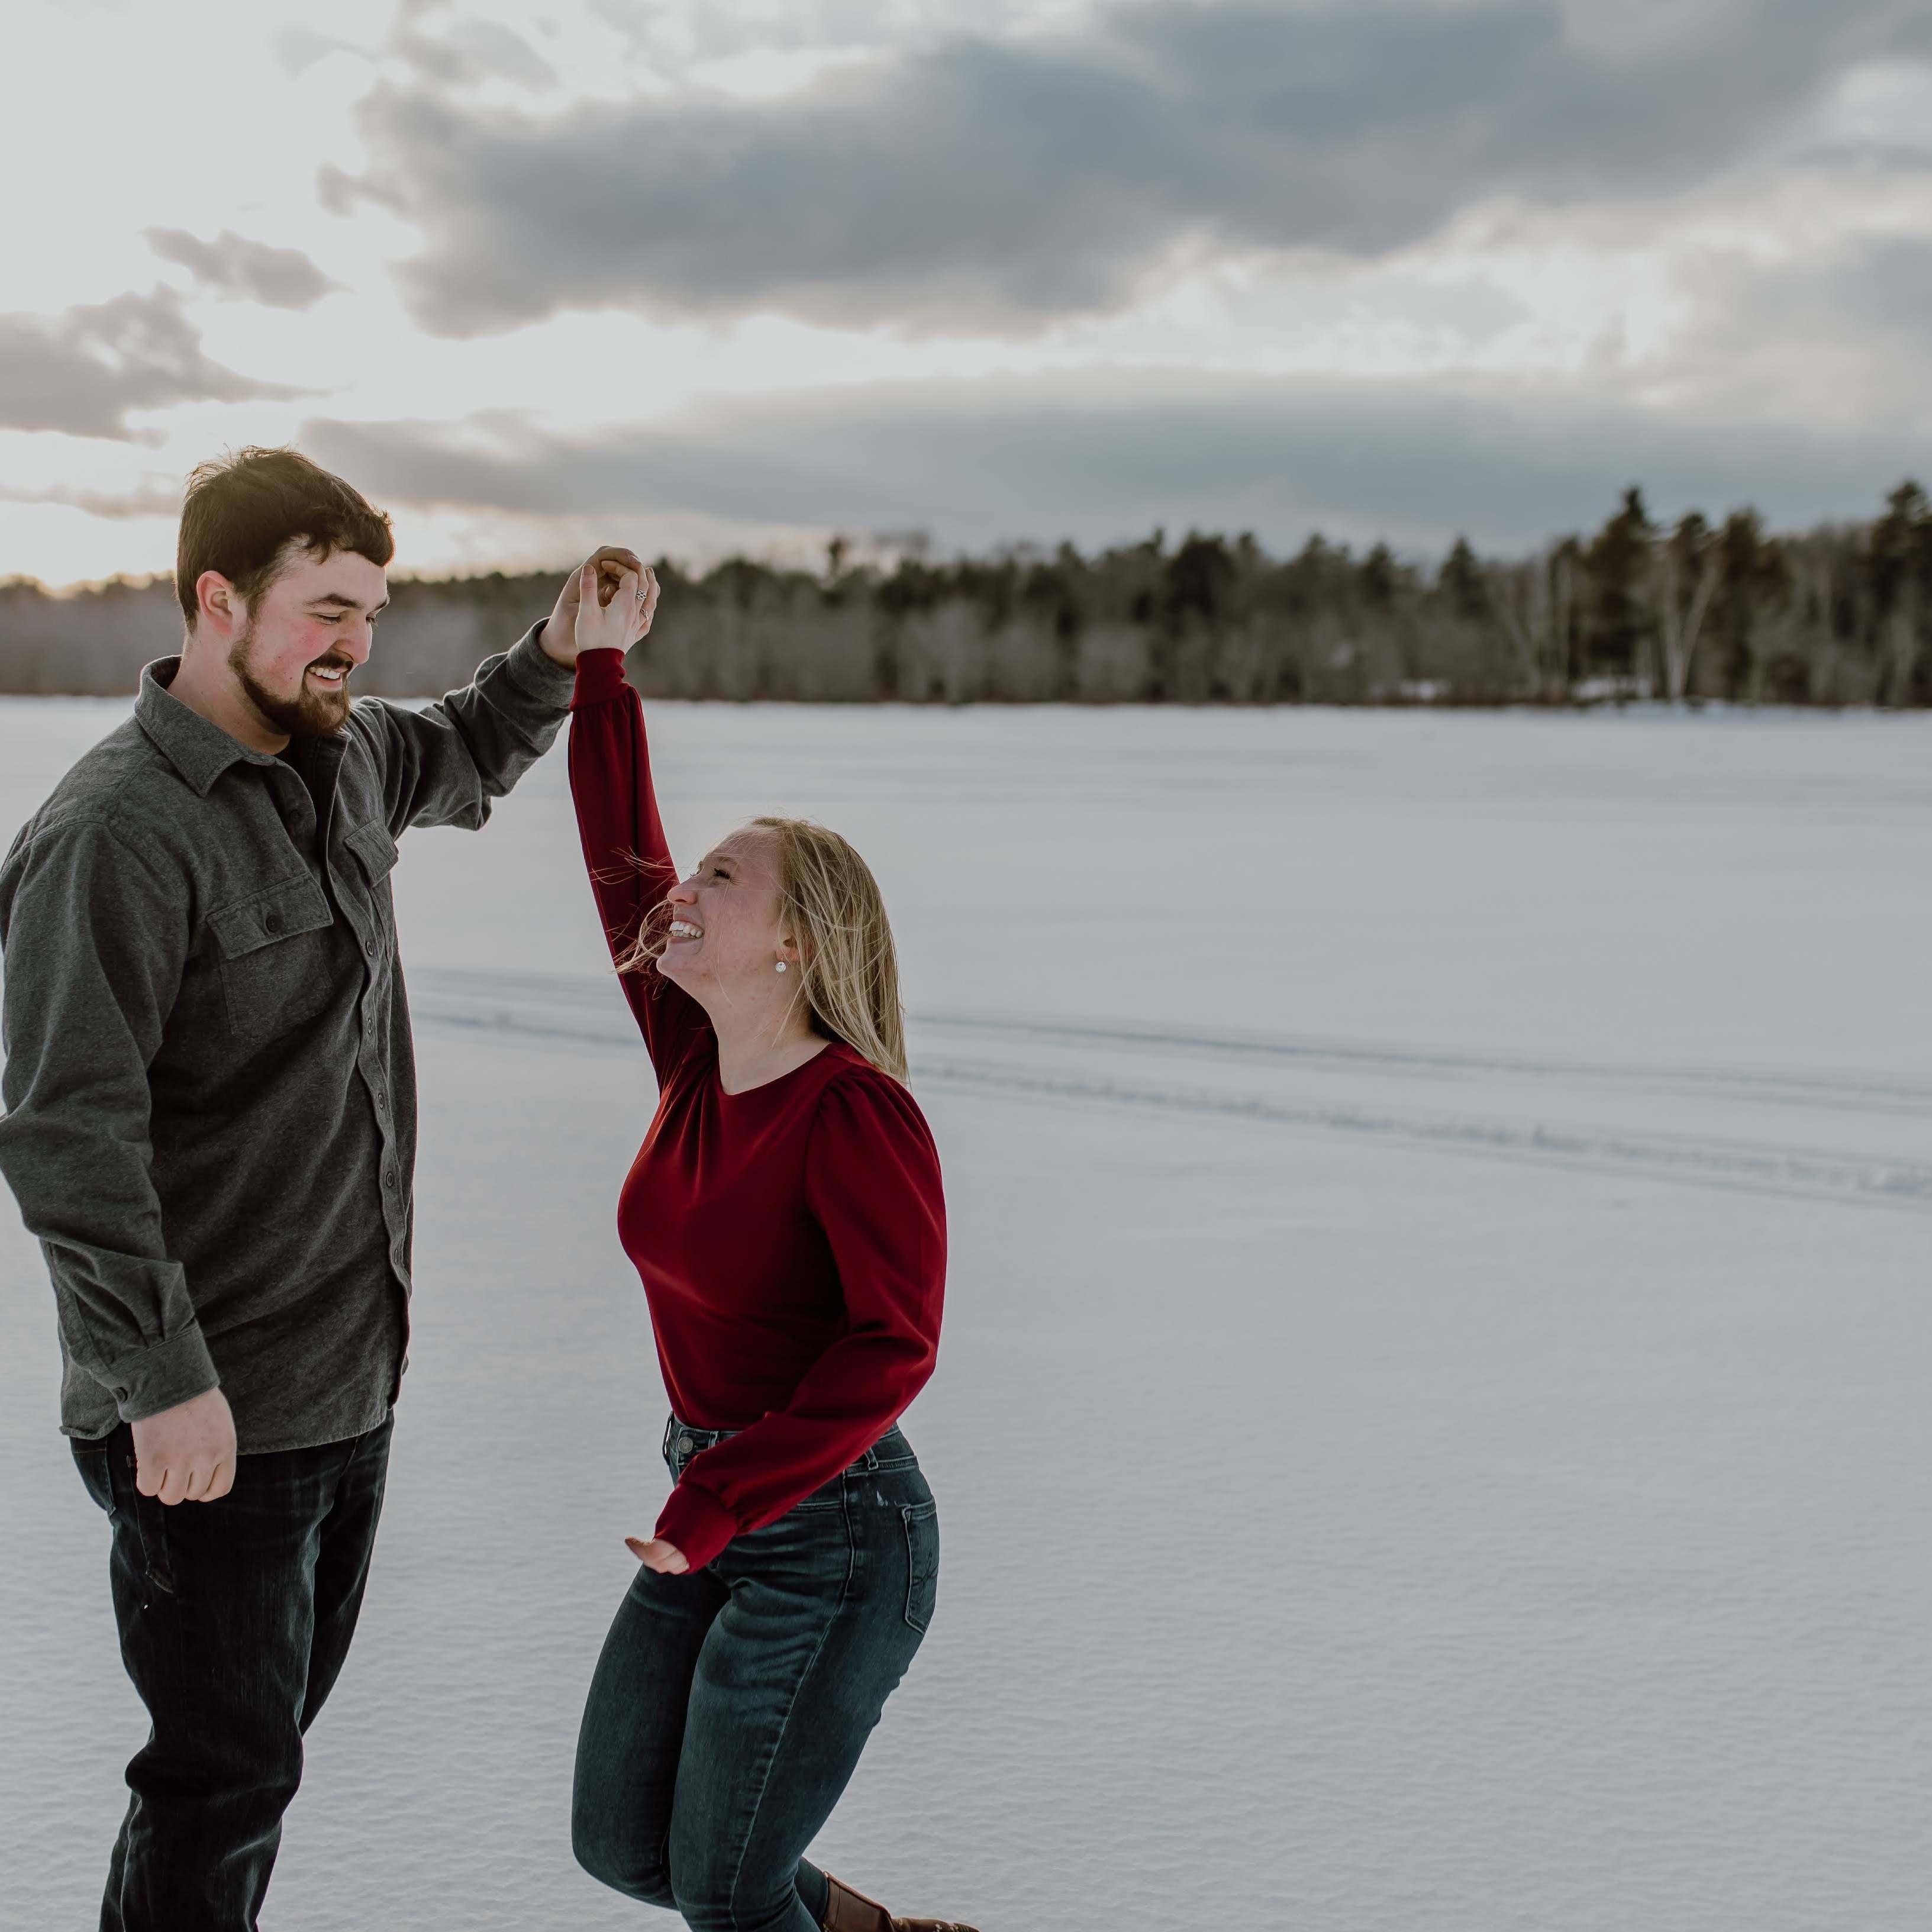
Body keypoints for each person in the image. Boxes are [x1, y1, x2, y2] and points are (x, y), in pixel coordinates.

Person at [0, 444, 638, 1931]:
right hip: (207, 1414)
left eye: (372, 612)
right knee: (217, 1784)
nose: (357, 643)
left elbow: (471, 745)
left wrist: (558, 650)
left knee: (254, 1767)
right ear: (216, 600)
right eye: (327, 608)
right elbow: (62, 1135)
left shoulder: (342, 755)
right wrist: (160, 1379)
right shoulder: (113, 836)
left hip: (347, 1380)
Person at [563, 567, 976, 1932]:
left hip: (840, 1534)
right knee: (626, 1847)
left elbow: (892, 1346)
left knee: (729, 1893)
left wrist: (729, 1496)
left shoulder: (855, 1113)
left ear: (795, 942)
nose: (683, 891)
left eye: (722, 880)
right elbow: (620, 848)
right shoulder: (694, 1059)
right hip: (718, 1499)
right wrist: (602, 667)